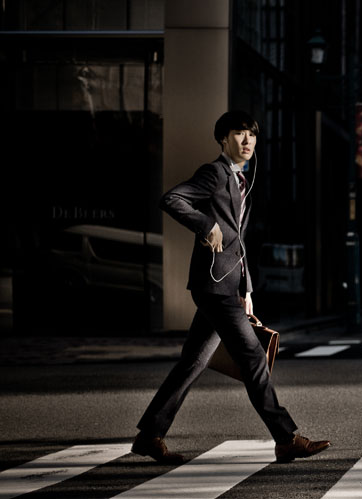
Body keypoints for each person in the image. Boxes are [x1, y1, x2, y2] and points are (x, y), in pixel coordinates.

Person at [132, 111, 330, 464]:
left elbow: (239, 241)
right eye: (239, 134)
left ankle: (150, 435)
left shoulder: (242, 179)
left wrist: (248, 289)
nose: (247, 141)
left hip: (227, 284)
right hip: (213, 284)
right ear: (223, 139)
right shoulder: (214, 173)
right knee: (254, 358)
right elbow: (172, 199)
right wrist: (205, 224)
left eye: (252, 135)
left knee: (192, 363)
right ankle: (285, 438)